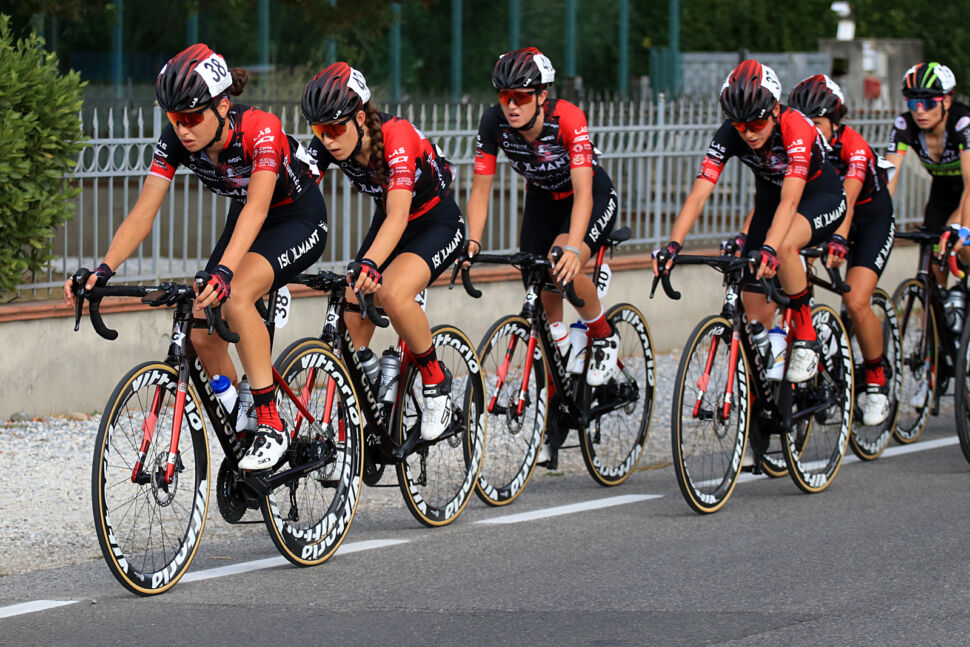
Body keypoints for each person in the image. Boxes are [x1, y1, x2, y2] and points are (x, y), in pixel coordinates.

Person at [64, 44, 328, 470]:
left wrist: (225, 272)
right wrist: (102, 269)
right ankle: (240, 414)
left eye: (191, 118)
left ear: (223, 106)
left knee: (236, 294)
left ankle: (271, 422)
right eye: (173, 118)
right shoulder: (178, 141)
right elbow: (144, 211)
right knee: (203, 333)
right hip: (247, 219)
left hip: (296, 218)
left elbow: (259, 207)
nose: (182, 129)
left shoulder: (261, 129)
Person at [652, 60, 846, 383]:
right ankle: (769, 390)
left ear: (773, 110)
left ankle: (808, 333)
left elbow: (791, 200)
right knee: (754, 310)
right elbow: (699, 194)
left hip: (818, 197)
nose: (748, 133)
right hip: (772, 203)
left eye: (755, 123)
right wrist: (673, 245)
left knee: (783, 247)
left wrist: (770, 248)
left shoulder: (795, 127)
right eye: (739, 125)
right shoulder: (732, 133)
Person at [301, 62, 464, 441]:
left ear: (360, 118)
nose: (328, 139)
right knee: (352, 311)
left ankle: (436, 384)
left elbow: (399, 213)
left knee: (391, 292)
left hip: (433, 221)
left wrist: (372, 263)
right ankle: (371, 387)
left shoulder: (397, 136)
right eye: (319, 130)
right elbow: (299, 192)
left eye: (336, 129)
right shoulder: (329, 141)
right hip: (390, 221)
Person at [465, 47, 619, 387]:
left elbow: (583, 194)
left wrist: (575, 247)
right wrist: (472, 241)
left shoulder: (568, 119)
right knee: (535, 274)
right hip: (541, 199)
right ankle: (561, 355)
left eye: (521, 96)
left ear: (542, 96)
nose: (512, 105)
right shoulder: (493, 122)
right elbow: (480, 189)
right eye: (505, 96)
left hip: (589, 196)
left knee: (562, 262)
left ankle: (603, 333)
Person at [788, 74, 895, 425]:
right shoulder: (795, 144)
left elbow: (847, 202)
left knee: (856, 300)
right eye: (805, 123)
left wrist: (837, 241)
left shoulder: (854, 147)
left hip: (868, 220)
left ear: (835, 122)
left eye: (817, 123)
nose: (811, 131)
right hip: (825, 214)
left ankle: (876, 378)